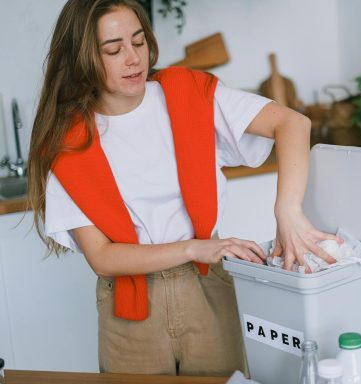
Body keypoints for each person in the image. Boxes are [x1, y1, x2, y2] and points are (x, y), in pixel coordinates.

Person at [27, 0, 341, 377]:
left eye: (139, 42)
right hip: (127, 308)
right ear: (82, 60)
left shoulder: (188, 92)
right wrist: (195, 247)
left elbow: (292, 123)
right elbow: (103, 257)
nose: (133, 58)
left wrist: (287, 211)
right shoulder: (68, 143)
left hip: (207, 287)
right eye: (113, 49)